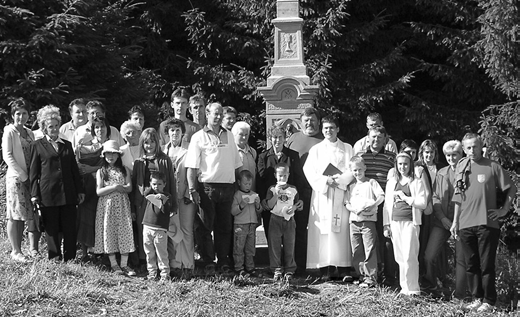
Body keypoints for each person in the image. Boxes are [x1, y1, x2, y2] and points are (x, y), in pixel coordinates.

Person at [450, 133, 516, 313]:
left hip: (487, 223)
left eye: (475, 146)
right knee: (471, 264)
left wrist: (503, 210)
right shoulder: (461, 168)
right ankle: (477, 298)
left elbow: (511, 188)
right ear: (464, 149)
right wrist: (455, 221)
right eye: (468, 147)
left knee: (486, 264)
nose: (472, 150)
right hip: (465, 224)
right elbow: (458, 197)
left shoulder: (492, 166)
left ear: (481, 146)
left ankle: (489, 300)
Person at [185, 102, 242, 273]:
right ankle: (208, 260)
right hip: (207, 187)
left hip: (228, 187)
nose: (218, 117)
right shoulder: (199, 137)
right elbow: (192, 167)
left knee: (224, 227)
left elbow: (236, 164)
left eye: (220, 114)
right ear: (207, 114)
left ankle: (223, 261)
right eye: (215, 114)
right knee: (205, 226)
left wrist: (242, 185)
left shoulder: (230, 135)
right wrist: (192, 189)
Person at [29, 105, 85, 261]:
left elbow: (74, 170)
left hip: (68, 192)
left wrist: (79, 190)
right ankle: (54, 258)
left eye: (56, 126)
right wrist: (34, 194)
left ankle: (70, 258)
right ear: (44, 128)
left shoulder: (66, 144)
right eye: (50, 126)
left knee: (69, 228)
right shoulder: (37, 145)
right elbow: (33, 173)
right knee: (51, 228)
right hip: (48, 193)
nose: (54, 129)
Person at [303, 115, 354, 281]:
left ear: (337, 129)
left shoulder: (347, 148)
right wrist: (326, 180)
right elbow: (309, 170)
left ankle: (344, 266)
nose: (328, 131)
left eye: (331, 127)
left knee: (342, 229)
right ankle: (326, 268)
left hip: (340, 192)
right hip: (323, 195)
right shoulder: (316, 149)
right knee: (324, 231)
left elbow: (352, 169)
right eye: (325, 128)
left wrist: (338, 181)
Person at [423, 140, 467, 298]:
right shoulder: (441, 173)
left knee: (461, 259)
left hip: (462, 222)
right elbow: (435, 198)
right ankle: (431, 286)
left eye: (455, 155)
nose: (451, 158)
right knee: (429, 255)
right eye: (448, 155)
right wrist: (442, 218)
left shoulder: (467, 172)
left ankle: (460, 294)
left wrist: (456, 221)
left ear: (461, 154)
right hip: (442, 222)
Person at [132, 128, 178, 271]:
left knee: (161, 233)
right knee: (144, 233)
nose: (149, 145)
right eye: (146, 142)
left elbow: (171, 182)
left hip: (160, 201)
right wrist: (134, 207)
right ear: (142, 144)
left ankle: (164, 265)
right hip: (143, 202)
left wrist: (172, 204)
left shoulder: (164, 159)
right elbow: (135, 185)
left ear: (157, 143)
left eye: (152, 142)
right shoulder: (139, 162)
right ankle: (144, 263)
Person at [357, 125, 397, 285]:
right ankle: (369, 274)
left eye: (379, 138)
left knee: (386, 239)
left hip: (384, 205)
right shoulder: (360, 157)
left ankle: (389, 274)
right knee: (368, 240)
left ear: (385, 140)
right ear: (368, 138)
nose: (376, 140)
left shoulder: (391, 157)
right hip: (365, 206)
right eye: (373, 137)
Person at [286, 106, 324, 275]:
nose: (309, 123)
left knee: (320, 229)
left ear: (318, 122)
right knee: (299, 229)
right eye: (306, 120)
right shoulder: (293, 138)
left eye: (312, 120)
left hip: (319, 191)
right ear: (301, 123)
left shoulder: (325, 139)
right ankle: (300, 265)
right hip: (297, 191)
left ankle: (320, 264)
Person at [383, 152, 427, 296]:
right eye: (400, 164)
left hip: (410, 222)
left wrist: (406, 198)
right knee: (400, 257)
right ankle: (404, 288)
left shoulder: (416, 181)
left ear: (411, 165)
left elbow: (423, 203)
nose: (403, 167)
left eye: (406, 164)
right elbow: (386, 205)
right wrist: (386, 225)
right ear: (396, 165)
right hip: (395, 222)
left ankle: (413, 289)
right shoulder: (391, 182)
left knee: (410, 255)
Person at [2, 98, 39, 262]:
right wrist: (23, 176)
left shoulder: (30, 132)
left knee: (25, 215)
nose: (21, 117)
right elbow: (8, 156)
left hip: (29, 179)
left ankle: (27, 250)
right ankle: (15, 251)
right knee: (14, 214)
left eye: (24, 113)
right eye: (18, 114)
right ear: (13, 115)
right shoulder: (9, 131)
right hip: (16, 179)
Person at [91, 140, 135, 275]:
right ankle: (114, 264)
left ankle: (124, 264)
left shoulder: (124, 170)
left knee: (124, 231)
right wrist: (114, 187)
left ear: (118, 155)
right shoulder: (101, 171)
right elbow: (99, 191)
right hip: (107, 206)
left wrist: (120, 188)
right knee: (108, 231)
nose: (111, 156)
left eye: (114, 154)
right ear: (104, 155)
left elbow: (129, 187)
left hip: (122, 205)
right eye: (108, 153)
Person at [163, 118, 196, 278]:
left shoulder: (190, 149)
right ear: (167, 133)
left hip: (185, 195)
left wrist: (190, 192)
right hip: (170, 197)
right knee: (173, 230)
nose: (175, 133)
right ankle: (176, 264)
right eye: (172, 130)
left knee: (187, 229)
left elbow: (194, 172)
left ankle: (188, 265)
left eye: (177, 130)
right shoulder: (163, 151)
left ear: (183, 133)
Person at [344, 156, 384, 287]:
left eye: (360, 169)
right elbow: (346, 203)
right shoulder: (350, 186)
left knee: (369, 249)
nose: (357, 172)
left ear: (365, 168)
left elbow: (381, 196)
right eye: (355, 170)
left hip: (368, 222)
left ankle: (371, 277)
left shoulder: (371, 182)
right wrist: (354, 210)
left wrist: (373, 205)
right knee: (356, 250)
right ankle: (360, 275)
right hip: (354, 222)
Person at [257, 125, 303, 238]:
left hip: (288, 204)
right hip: (270, 205)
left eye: (280, 137)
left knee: (289, 241)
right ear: (270, 138)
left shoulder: (293, 156)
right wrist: (263, 199)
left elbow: (298, 179)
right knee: (272, 240)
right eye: (274, 137)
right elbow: (260, 181)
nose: (277, 140)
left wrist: (300, 199)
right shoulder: (263, 157)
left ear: (285, 138)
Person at [76, 117, 111, 261]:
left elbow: (111, 166)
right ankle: (85, 253)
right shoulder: (87, 146)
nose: (99, 130)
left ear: (107, 129)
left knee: (104, 220)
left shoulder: (111, 145)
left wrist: (93, 168)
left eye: (102, 127)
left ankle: (103, 253)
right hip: (88, 187)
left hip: (105, 188)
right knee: (86, 218)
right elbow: (78, 165)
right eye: (96, 127)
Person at [263, 163, 303, 282]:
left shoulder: (293, 189)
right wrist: (276, 193)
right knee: (274, 245)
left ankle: (290, 269)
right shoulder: (271, 189)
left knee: (289, 244)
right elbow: (269, 206)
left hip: (289, 220)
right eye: (280, 176)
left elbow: (297, 204)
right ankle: (276, 269)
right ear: (275, 175)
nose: (282, 178)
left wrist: (295, 208)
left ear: (288, 175)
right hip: (275, 218)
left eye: (285, 176)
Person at [142, 171, 174, 282]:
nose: (157, 186)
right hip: (147, 226)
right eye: (154, 184)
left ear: (164, 184)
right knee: (149, 252)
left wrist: (164, 199)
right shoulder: (149, 193)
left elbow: (167, 211)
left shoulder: (168, 196)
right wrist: (151, 188)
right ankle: (152, 273)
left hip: (160, 229)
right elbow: (144, 192)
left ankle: (165, 274)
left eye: (160, 184)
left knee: (161, 253)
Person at [231, 170, 262, 276]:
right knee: (239, 247)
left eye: (249, 184)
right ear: (239, 182)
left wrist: (258, 205)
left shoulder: (254, 194)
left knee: (250, 248)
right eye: (245, 184)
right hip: (240, 225)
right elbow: (233, 211)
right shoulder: (237, 195)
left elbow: (259, 210)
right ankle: (239, 267)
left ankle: (250, 267)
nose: (248, 186)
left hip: (252, 225)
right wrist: (241, 205)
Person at [232, 121, 257, 190]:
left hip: (252, 193)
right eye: (241, 134)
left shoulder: (253, 152)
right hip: (237, 195)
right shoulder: (231, 152)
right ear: (234, 135)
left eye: (246, 134)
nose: (244, 137)